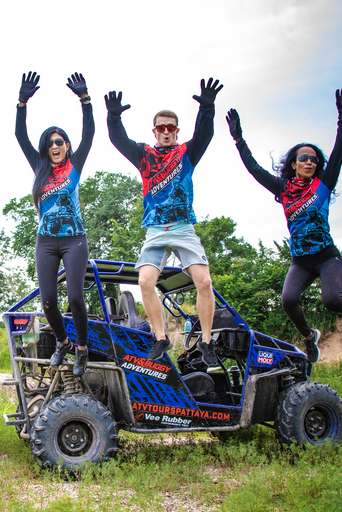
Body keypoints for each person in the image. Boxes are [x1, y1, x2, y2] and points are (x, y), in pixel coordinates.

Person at [225, 88, 342, 363]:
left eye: (314, 159)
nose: (310, 161)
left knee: (332, 300)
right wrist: (239, 140)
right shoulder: (283, 188)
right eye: (304, 157)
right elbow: (255, 169)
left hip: (326, 256)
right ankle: (308, 337)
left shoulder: (323, 185)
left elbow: (339, 153)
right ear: (294, 163)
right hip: (300, 261)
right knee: (288, 300)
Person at [105, 78, 224, 365]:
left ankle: (206, 342)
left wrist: (207, 108)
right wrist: (113, 116)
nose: (166, 131)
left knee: (204, 281)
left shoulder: (186, 154)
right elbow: (118, 140)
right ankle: (161, 338)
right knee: (145, 281)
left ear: (176, 131)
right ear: (155, 131)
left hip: (183, 227)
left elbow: (204, 134)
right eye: (161, 127)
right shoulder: (144, 155)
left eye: (171, 127)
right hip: (155, 229)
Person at [15, 71, 95, 376]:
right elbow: (19, 136)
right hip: (46, 241)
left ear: (67, 145)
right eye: (51, 143)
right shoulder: (39, 167)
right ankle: (62, 341)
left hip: (75, 238)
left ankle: (82, 349)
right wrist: (22, 103)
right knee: (48, 300)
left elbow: (90, 134)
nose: (56, 145)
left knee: (75, 296)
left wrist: (85, 100)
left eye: (60, 141)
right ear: (45, 149)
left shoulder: (76, 164)